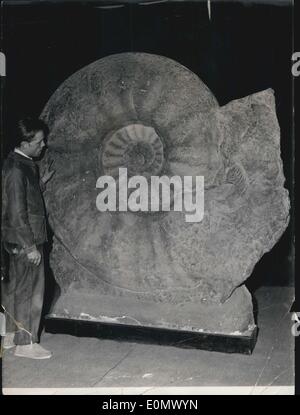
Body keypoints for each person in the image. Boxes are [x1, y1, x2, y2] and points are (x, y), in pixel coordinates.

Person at [1, 117, 55, 359]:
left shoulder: (21, 164)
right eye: (39, 142)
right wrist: (30, 246)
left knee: (16, 289)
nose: (43, 145)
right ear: (24, 143)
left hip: (21, 238)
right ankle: (26, 344)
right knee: (31, 292)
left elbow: (24, 198)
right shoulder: (15, 168)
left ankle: (13, 337)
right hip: (27, 239)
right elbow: (16, 211)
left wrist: (40, 184)